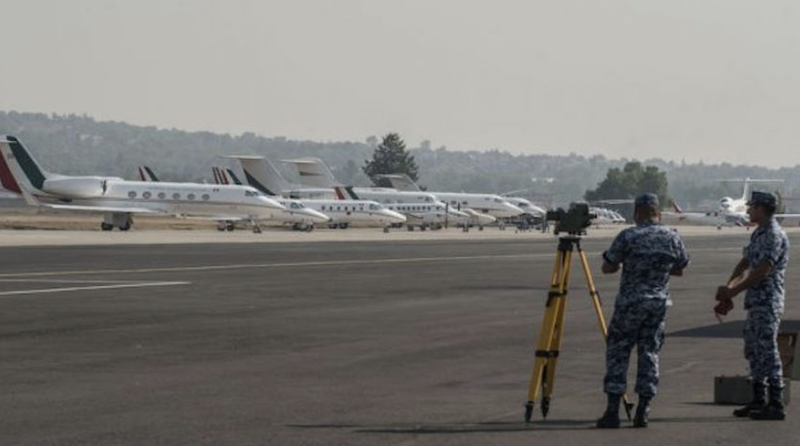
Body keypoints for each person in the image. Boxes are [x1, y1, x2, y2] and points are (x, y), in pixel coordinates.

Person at [596, 193, 690, 429]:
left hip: (630, 303)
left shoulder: (629, 236)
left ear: (638, 212)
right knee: (649, 353)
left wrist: (622, 264)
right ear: (657, 212)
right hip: (657, 304)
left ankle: (612, 411)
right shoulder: (672, 237)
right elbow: (680, 268)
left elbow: (608, 267)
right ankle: (643, 410)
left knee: (619, 351)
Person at [715, 191, 789, 421]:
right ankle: (758, 399)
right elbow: (745, 262)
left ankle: (775, 402)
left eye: (752, 207)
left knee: (768, 350)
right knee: (754, 350)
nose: (748, 210)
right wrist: (728, 287)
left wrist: (733, 291)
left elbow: (761, 271)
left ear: (762, 208)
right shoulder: (759, 234)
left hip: (768, 301)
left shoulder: (774, 235)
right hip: (756, 302)